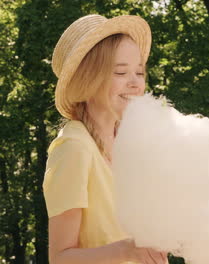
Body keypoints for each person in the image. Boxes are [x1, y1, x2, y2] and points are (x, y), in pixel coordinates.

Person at [43, 14, 167, 264]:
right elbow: (60, 258)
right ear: (88, 80)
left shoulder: (131, 143)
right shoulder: (74, 148)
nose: (135, 84)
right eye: (121, 72)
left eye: (140, 73)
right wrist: (128, 251)